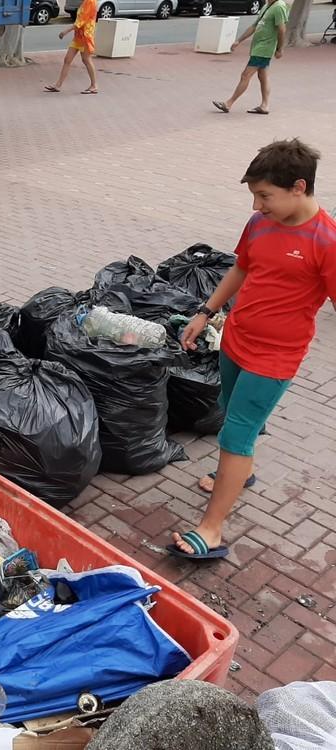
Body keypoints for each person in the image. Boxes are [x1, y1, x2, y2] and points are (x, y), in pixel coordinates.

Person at [169, 139, 336, 560]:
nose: (259, 206)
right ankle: (240, 473)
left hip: (276, 357)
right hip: (236, 340)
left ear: (299, 187)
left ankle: (211, 529)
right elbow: (242, 266)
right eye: (255, 196)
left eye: (266, 196)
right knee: (231, 411)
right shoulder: (260, 223)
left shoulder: (326, 241)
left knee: (237, 433)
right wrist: (205, 312)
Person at [213, 0, 287, 115]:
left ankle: (228, 103)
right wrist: (239, 41)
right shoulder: (267, 6)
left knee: (245, 75)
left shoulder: (279, 7)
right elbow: (254, 26)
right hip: (259, 47)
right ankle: (265, 105)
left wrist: (280, 48)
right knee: (263, 76)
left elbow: (282, 29)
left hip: (264, 48)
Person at [45, 0, 98, 94]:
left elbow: (80, 22)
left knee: (86, 59)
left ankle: (94, 85)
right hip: (78, 37)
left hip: (86, 36)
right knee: (67, 59)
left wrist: (65, 31)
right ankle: (58, 85)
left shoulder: (90, 2)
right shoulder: (85, 2)